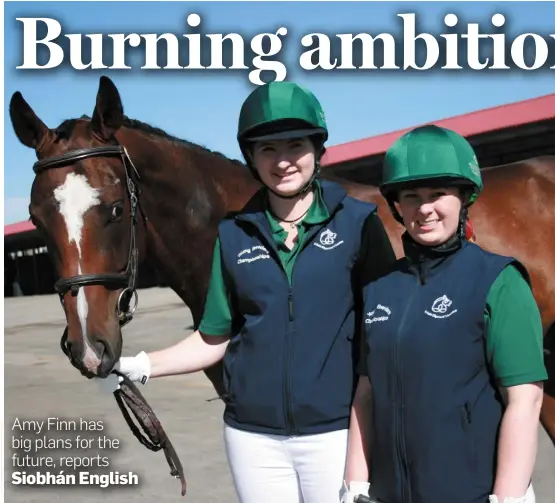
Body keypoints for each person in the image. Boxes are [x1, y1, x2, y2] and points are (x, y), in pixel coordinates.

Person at [103, 81, 396, 503]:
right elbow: (213, 336)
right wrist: (140, 365)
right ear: (251, 158)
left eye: (295, 145)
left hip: (336, 434)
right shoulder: (234, 234)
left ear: (318, 148)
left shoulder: (359, 223)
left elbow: (384, 337)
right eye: (267, 149)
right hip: (252, 440)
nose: (283, 162)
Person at [341, 125, 548, 503]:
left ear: (463, 197)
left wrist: (507, 497)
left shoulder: (499, 280)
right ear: (397, 206)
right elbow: (365, 395)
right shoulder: (379, 288)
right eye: (411, 196)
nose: (424, 208)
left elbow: (526, 398)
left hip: (471, 493)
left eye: (438, 194)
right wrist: (354, 485)